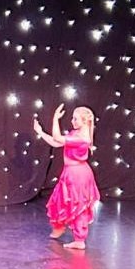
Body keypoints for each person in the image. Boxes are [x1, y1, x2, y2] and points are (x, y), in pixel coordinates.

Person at [33, 103, 100, 250]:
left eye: (75, 119)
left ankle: (79, 240)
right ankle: (59, 228)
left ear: (84, 121)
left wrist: (55, 118)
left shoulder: (83, 138)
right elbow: (56, 142)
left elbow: (57, 137)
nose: (72, 121)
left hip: (78, 175)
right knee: (61, 200)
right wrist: (41, 132)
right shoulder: (75, 134)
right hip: (71, 173)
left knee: (78, 205)